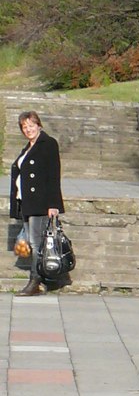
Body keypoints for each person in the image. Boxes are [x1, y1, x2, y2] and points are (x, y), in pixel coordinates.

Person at [9, 110, 63, 298]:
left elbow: (53, 175)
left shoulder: (48, 144)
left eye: (31, 125)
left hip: (40, 202)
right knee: (34, 243)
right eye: (24, 127)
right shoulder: (28, 148)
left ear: (39, 125)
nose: (28, 129)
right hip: (26, 202)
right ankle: (40, 280)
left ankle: (35, 281)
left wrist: (53, 204)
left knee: (36, 242)